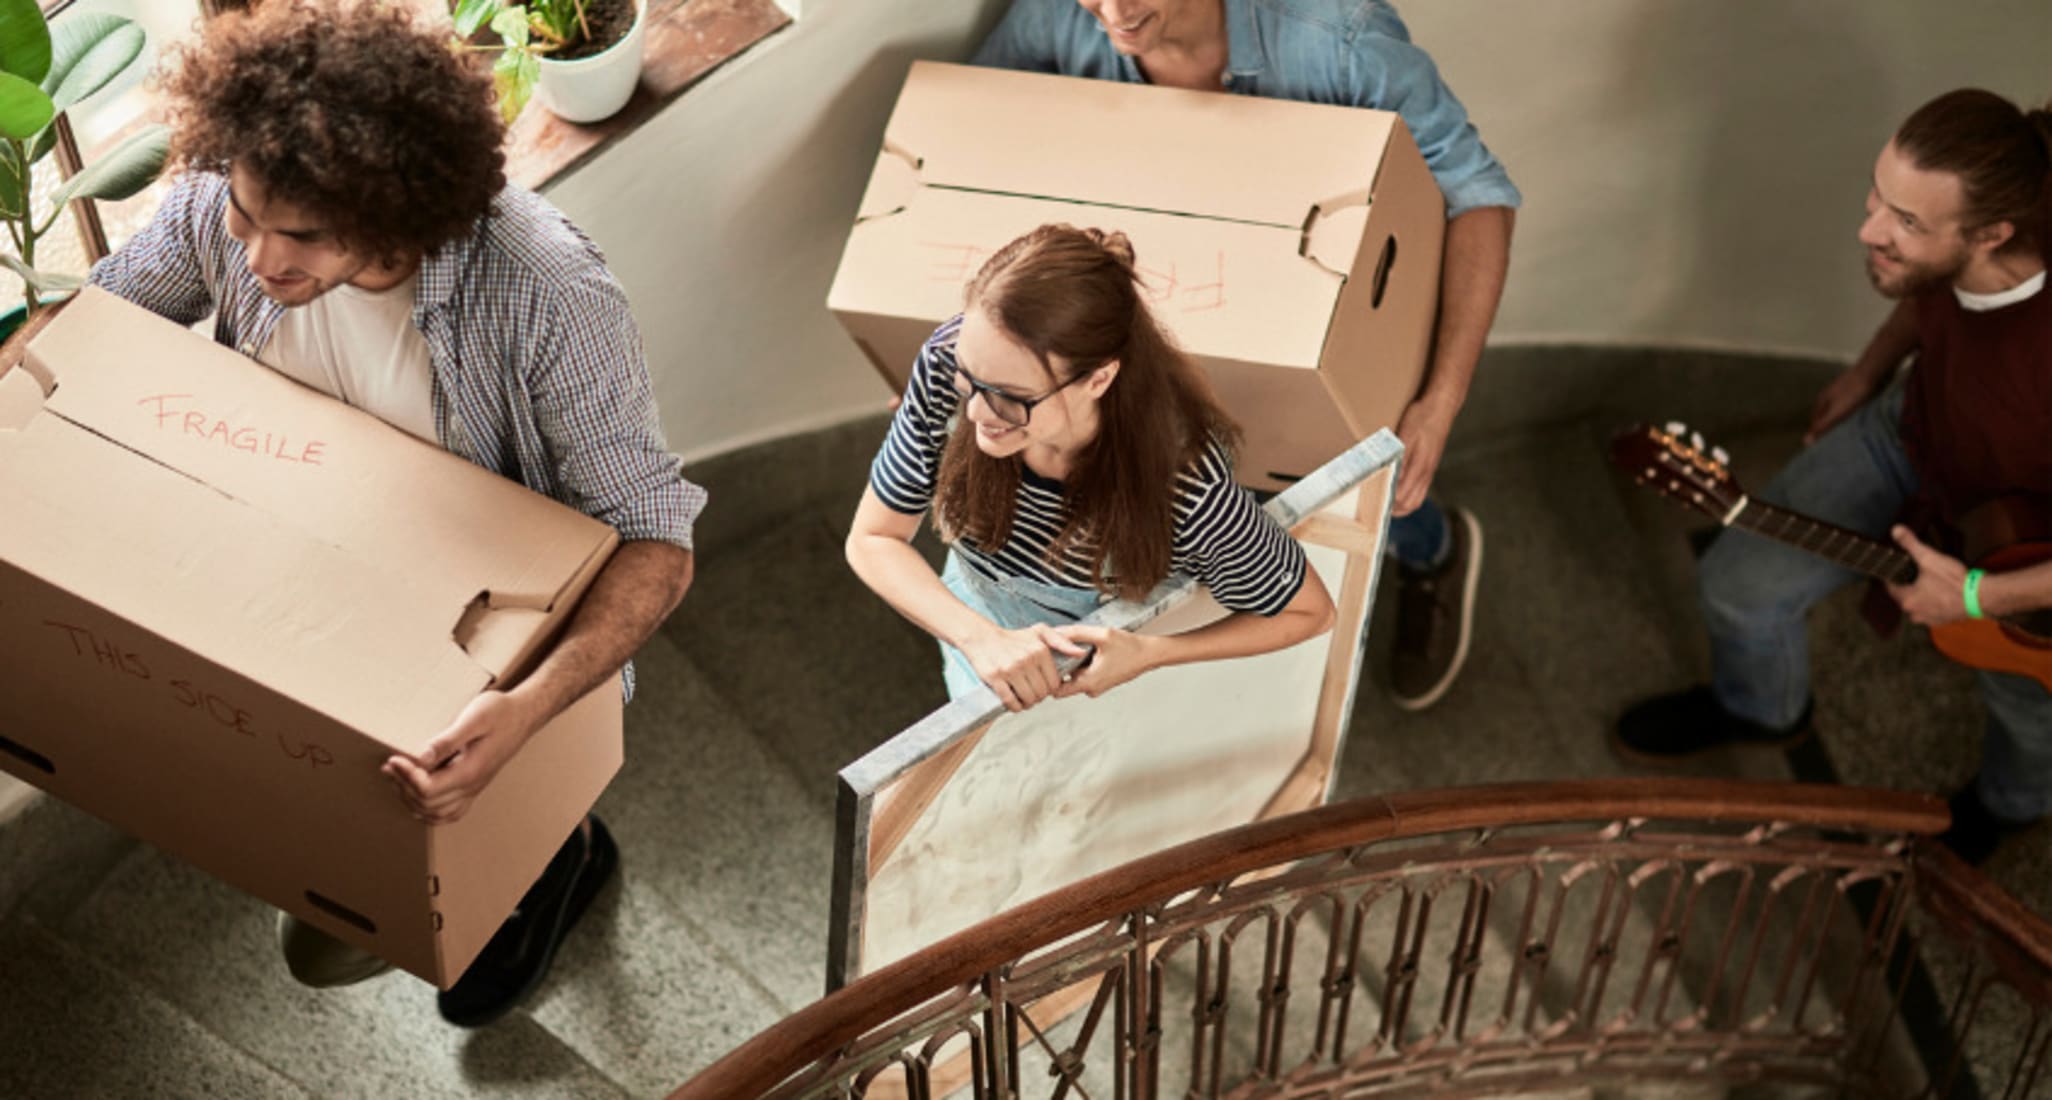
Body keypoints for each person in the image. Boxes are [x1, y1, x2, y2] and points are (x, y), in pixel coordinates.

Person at [41, 0, 705, 1023]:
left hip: (474, 651)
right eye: (245, 219)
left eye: (301, 235)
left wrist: (525, 715)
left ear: (398, 211)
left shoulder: (545, 289)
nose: (259, 260)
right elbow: (97, 332)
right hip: (298, 599)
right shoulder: (230, 189)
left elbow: (657, 540)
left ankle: (561, 857)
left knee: (426, 892)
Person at [972, 0, 1520, 712]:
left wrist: (1438, 405)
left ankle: (1431, 550)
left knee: (1360, 488)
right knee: (1211, 519)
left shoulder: (1342, 40)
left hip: (1324, 348)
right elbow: (970, 146)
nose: (1111, 14)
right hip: (1145, 343)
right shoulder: (1052, 20)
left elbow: (1478, 196)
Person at [1614, 89, 2052, 866]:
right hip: (1910, 437)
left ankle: (2012, 802)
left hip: (2026, 560)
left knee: (2027, 702)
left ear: (1993, 234)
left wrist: (1979, 598)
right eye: (1878, 197)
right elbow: (1935, 296)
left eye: (1905, 223)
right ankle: (1762, 711)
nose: (1868, 231)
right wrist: (1870, 369)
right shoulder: (1972, 225)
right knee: (1738, 584)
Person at [846, 224, 1335, 712]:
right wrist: (980, 639)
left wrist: (1150, 653)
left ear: (1099, 378)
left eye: (1011, 399)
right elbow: (874, 538)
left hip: (1101, 678)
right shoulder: (948, 360)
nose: (974, 414)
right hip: (974, 632)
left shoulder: (1184, 485)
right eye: (966, 379)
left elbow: (1309, 610)